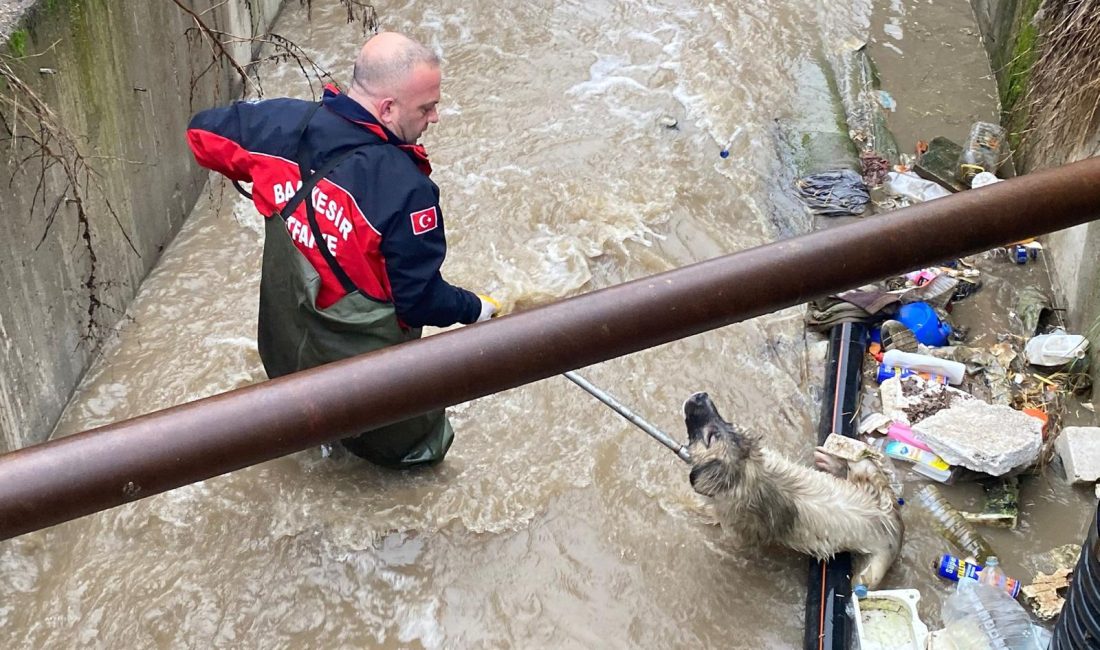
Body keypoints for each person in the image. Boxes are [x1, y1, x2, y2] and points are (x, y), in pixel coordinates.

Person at [186, 32, 498, 468]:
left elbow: (200, 132)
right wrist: (476, 309)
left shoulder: (280, 125)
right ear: (388, 108)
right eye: (426, 107)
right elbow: (420, 301)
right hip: (363, 372)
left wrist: (270, 181)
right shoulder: (407, 191)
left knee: (298, 423)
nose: (435, 118)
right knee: (419, 461)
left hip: (287, 345)